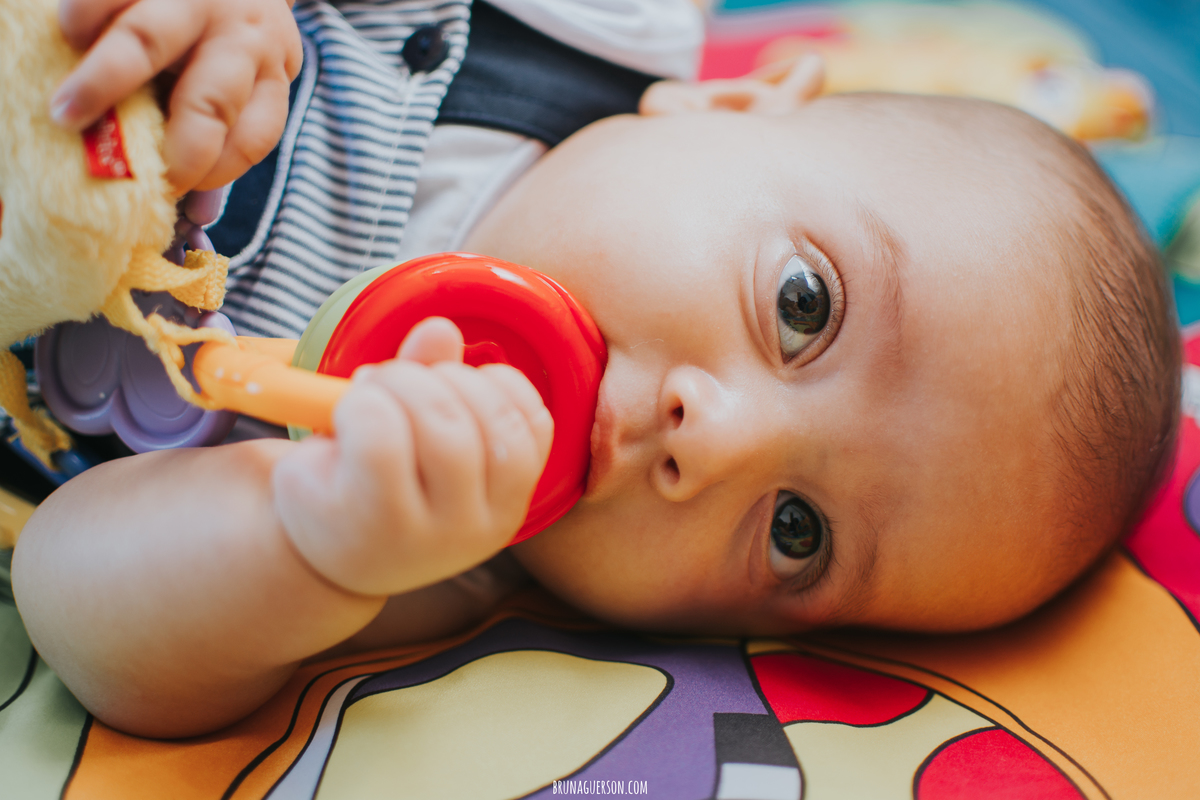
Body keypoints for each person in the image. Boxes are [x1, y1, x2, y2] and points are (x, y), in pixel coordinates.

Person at [10, 0, 1179, 739]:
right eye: (802, 305)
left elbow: (73, 597)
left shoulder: (441, 547)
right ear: (726, 101)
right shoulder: (591, 21)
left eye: (797, 532)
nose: (714, 441)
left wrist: (312, 541)